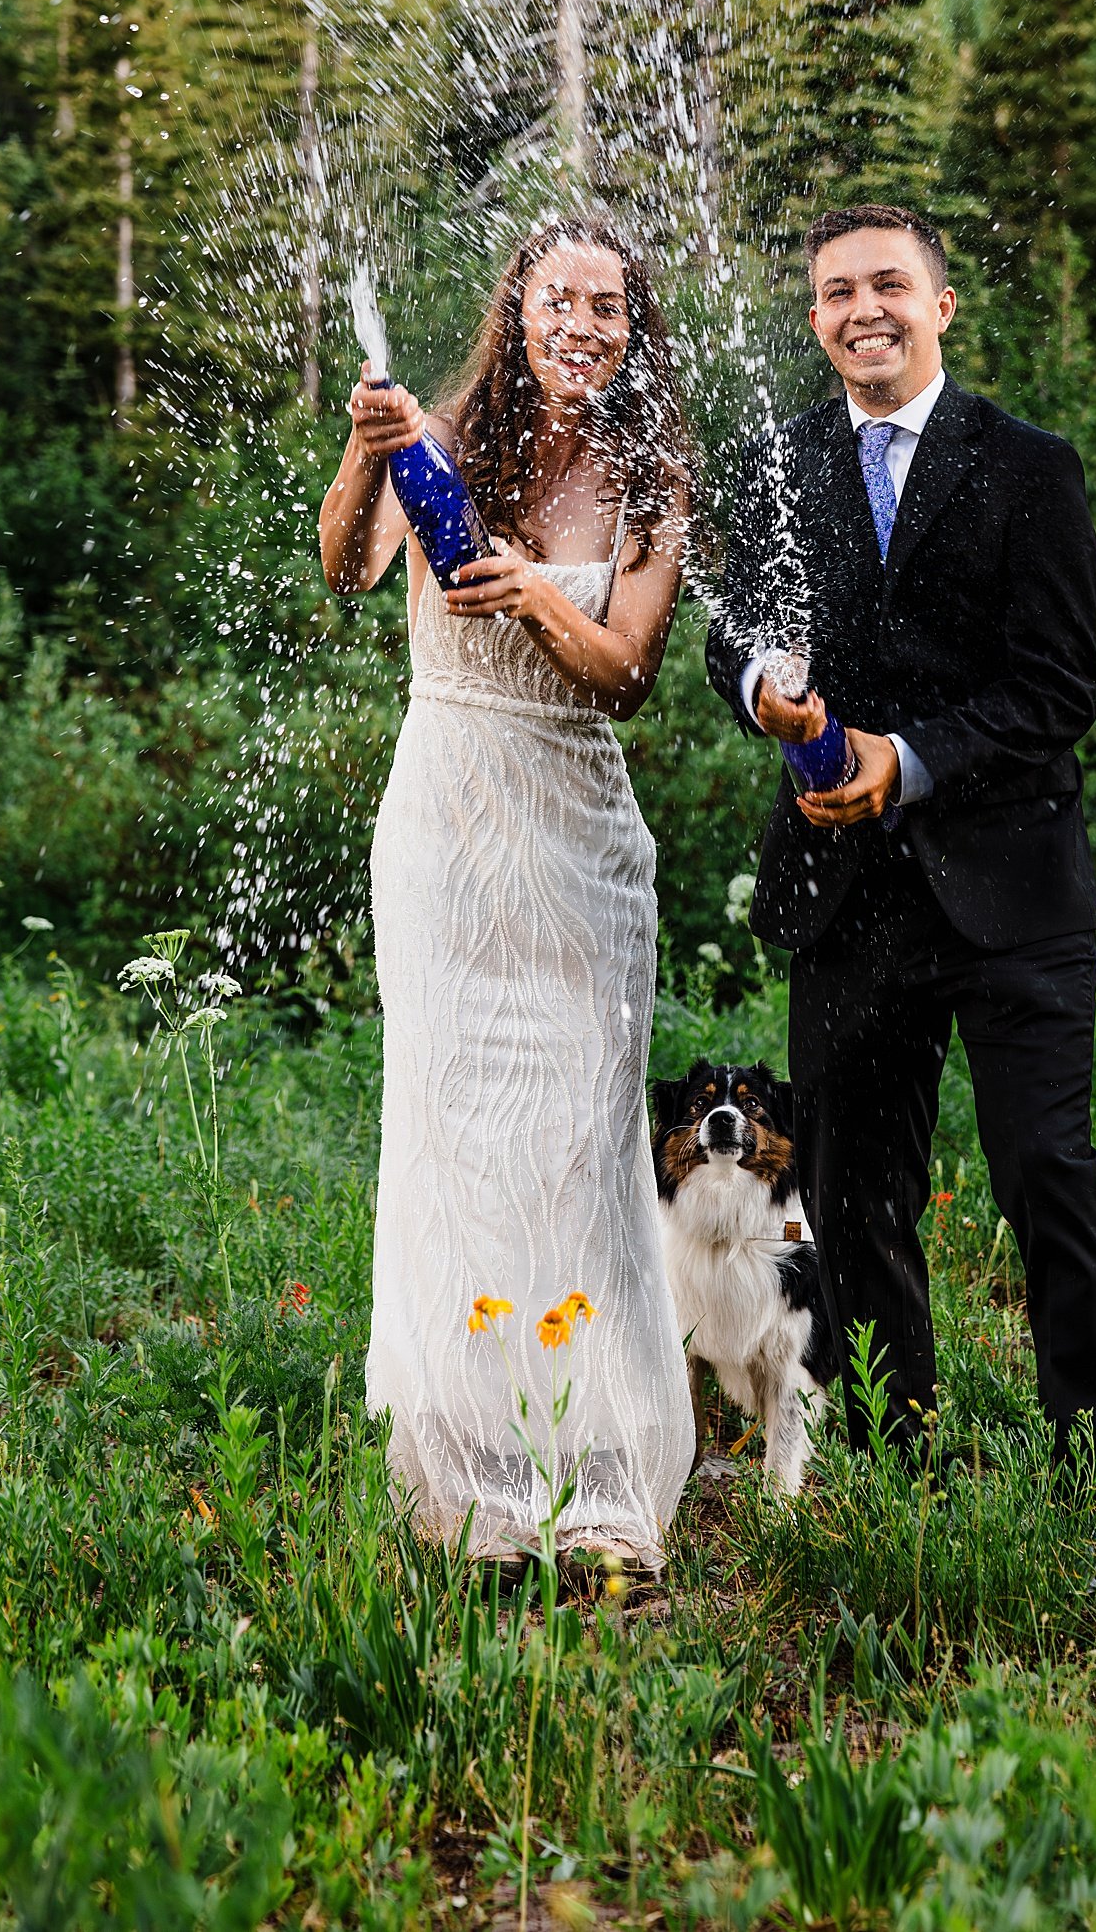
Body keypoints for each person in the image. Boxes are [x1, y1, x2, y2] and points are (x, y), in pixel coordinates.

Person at [706, 204, 1096, 1495]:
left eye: (889, 285)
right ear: (815, 319)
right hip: (844, 897)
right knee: (851, 1201)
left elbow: (1060, 685)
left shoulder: (1028, 465)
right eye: (836, 292)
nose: (863, 310)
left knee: (1046, 1178)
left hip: (1012, 889)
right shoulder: (774, 467)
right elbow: (733, 641)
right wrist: (761, 696)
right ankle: (901, 1467)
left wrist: (913, 759)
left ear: (942, 306)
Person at [319, 219, 696, 1571]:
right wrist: (369, 458)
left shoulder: (654, 477)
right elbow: (346, 564)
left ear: (630, 327)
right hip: (444, 833)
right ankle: (471, 1475)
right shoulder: (442, 436)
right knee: (453, 1134)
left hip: (582, 849)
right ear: (520, 311)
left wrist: (537, 594)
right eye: (561, 300)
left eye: (609, 305)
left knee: (583, 1149)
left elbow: (630, 675)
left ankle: (598, 1476)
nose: (583, 323)